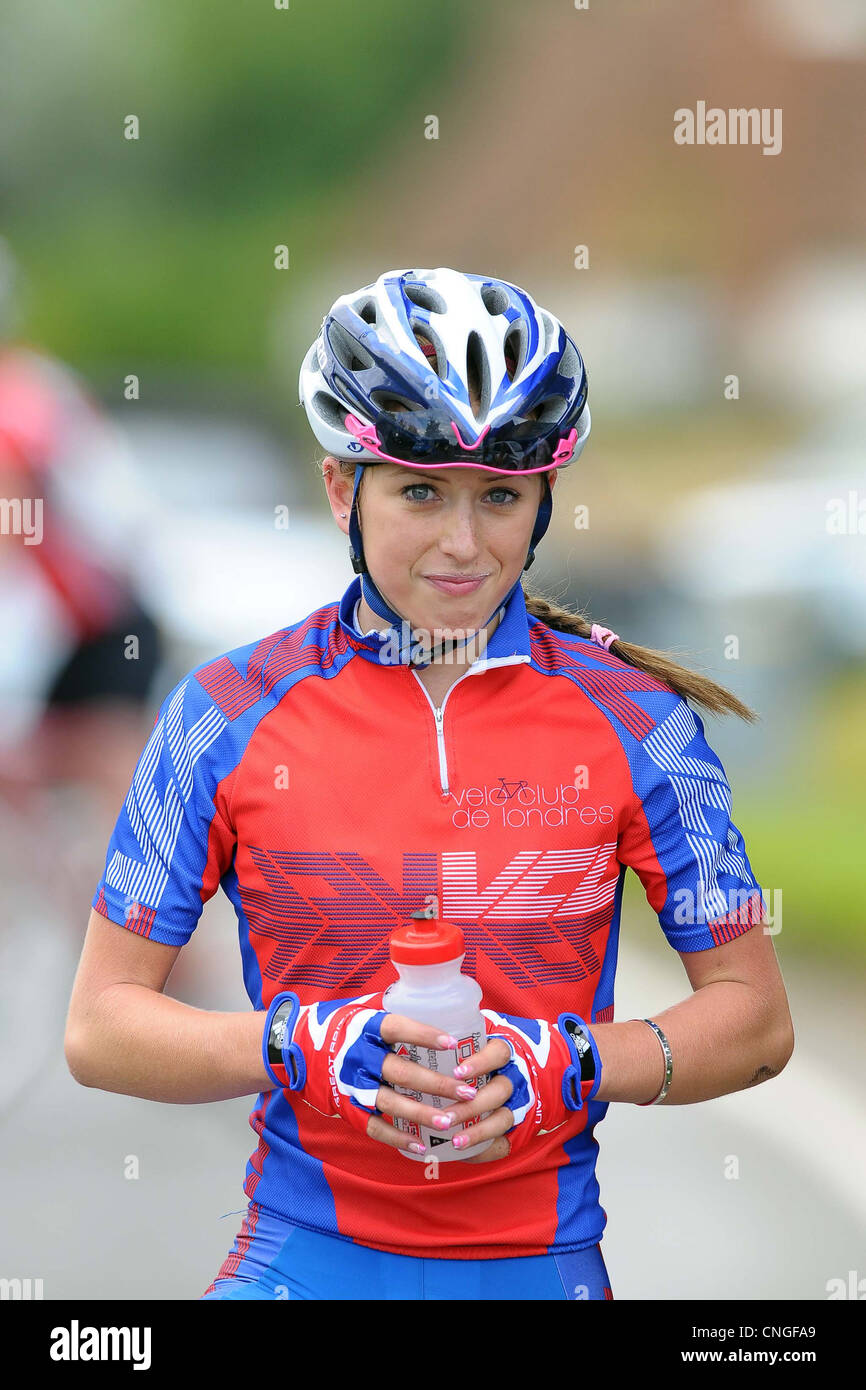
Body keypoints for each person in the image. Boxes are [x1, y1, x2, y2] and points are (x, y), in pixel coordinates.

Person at [65, 266, 794, 1301]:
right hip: (301, 1264)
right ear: (339, 490)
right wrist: (295, 1043)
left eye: (498, 496)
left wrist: (570, 1063)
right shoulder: (220, 714)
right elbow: (100, 1028)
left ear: (542, 503)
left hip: (536, 1268)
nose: (461, 543)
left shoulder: (639, 722)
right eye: (418, 491)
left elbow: (754, 1022)